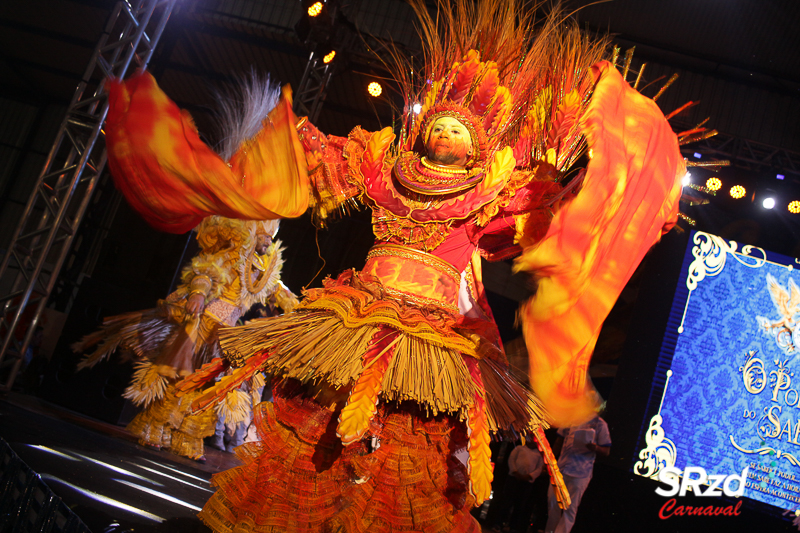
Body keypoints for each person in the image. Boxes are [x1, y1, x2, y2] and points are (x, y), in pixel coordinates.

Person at [101, 1, 684, 530]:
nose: (450, 130)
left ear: (479, 147)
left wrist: (581, 178)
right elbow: (328, 160)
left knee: (412, 439)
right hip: (353, 318)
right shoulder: (384, 163)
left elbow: (541, 212)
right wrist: (286, 144)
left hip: (430, 338)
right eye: (443, 122)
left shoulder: (491, 191)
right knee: (315, 418)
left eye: (463, 128)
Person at [74, 216, 297, 460]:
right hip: (203, 328)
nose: (268, 241)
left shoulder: (264, 270)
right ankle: (156, 430)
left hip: (224, 338)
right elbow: (207, 272)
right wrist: (199, 293)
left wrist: (303, 309)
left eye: (270, 237)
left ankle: (187, 439)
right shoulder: (233, 257)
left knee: (207, 390)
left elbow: (282, 292)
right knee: (180, 380)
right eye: (265, 235)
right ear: (253, 233)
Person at [544, 416, 611, 533]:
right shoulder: (571, 418)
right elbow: (559, 441)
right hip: (561, 468)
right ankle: (550, 531)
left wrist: (595, 447)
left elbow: (606, 451)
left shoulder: (600, 424)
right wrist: (549, 461)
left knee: (570, 508)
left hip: (581, 472)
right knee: (553, 501)